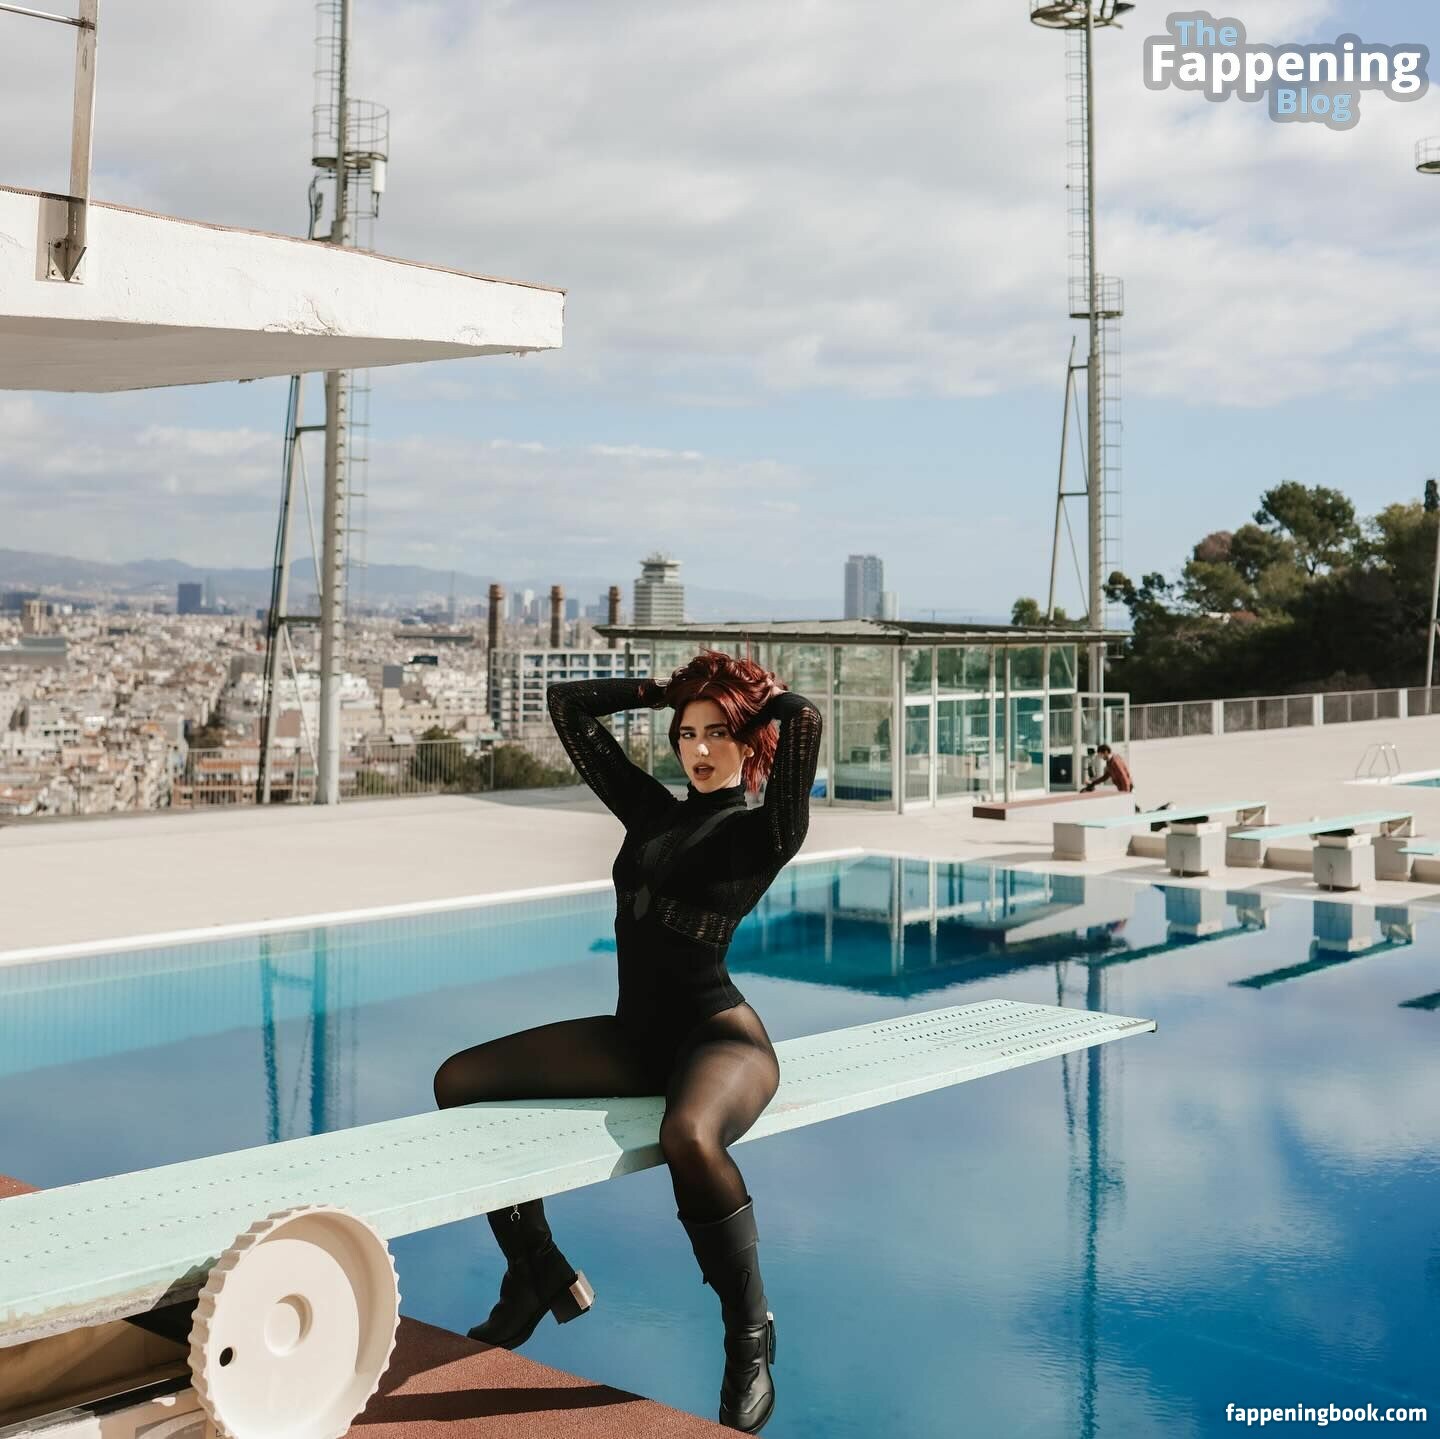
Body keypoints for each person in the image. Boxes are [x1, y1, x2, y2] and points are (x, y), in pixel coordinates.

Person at [433, 650, 822, 1434]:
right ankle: (535, 1268)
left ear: (747, 741)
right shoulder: (650, 811)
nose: (699, 749)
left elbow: (805, 720)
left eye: (718, 733)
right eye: (687, 733)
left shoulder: (765, 831)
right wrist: (660, 689)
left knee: (690, 1135)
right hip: (635, 1039)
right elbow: (567, 706)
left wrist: (762, 703)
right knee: (459, 1081)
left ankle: (749, 1334)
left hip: (722, 1040)